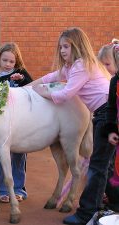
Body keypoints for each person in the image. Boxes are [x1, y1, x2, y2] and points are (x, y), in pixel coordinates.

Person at [30, 27, 112, 225]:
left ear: (77, 45)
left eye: (66, 46)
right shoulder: (70, 67)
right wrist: (28, 88)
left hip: (108, 113)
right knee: (105, 165)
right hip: (104, 113)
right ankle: (109, 205)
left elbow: (65, 94)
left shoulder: (82, 65)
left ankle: (86, 213)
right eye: (60, 47)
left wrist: (41, 92)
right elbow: (51, 77)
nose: (62, 51)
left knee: (98, 167)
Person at [0, 42, 32, 203]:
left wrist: (21, 80)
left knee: (19, 157)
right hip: (3, 126)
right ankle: (3, 190)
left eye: (11, 62)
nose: (8, 64)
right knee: (3, 157)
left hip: (20, 124)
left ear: (16, 63)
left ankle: (18, 189)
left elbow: (32, 88)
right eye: (5, 60)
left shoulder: (22, 74)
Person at [102, 40, 119, 212]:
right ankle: (115, 203)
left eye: (107, 64)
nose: (105, 68)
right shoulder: (114, 81)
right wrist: (111, 130)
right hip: (118, 132)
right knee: (114, 169)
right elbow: (111, 107)